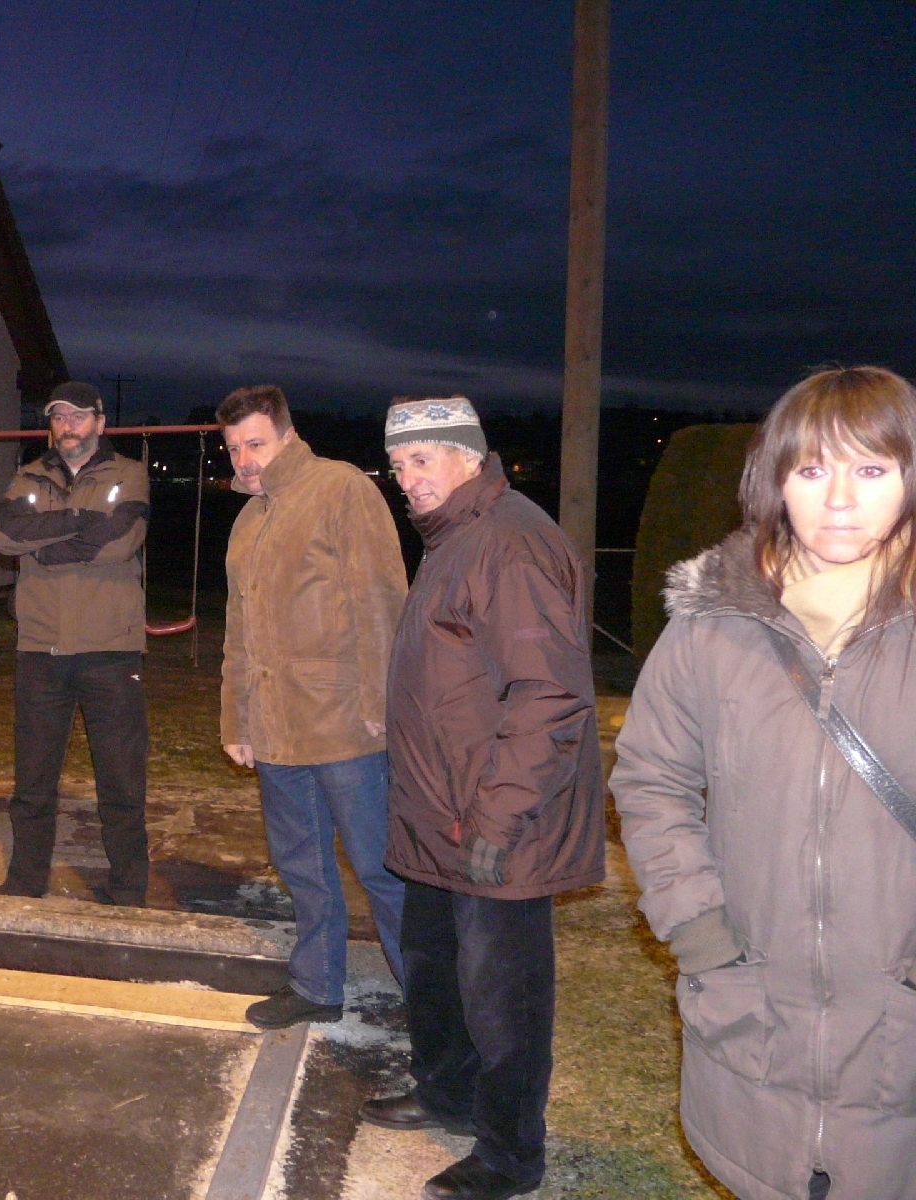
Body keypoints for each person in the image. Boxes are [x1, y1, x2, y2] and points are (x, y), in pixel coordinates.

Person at [612, 366, 916, 1200]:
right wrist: (702, 936)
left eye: (871, 468)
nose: (840, 499)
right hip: (751, 1019)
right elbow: (652, 777)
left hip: (897, 1037)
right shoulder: (713, 625)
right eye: (812, 469)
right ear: (775, 481)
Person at [368, 397, 604, 1200]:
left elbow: (549, 695)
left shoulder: (510, 542)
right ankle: (447, 1094)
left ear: (469, 457)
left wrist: (498, 817)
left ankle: (508, 1155)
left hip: (497, 821)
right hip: (440, 814)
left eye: (422, 460)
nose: (408, 479)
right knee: (436, 968)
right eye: (398, 465)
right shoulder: (455, 538)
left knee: (504, 998)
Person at [217, 384, 410, 1030]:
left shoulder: (340, 489)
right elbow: (238, 629)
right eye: (234, 448)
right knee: (303, 867)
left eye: (255, 444)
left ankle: (432, 1002)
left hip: (344, 724)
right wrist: (237, 719)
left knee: (383, 869)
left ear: (288, 435)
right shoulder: (249, 520)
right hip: (276, 728)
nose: (245, 459)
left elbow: (381, 599)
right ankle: (317, 984)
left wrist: (381, 700)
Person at [0, 381, 151, 906]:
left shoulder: (128, 474)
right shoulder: (28, 476)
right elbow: (4, 536)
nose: (68, 426)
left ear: (100, 423)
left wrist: (43, 546)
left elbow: (120, 540)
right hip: (41, 649)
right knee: (33, 780)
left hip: (111, 649)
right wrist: (80, 520)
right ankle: (25, 879)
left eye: (79, 416)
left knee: (121, 779)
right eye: (59, 417)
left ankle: (128, 887)